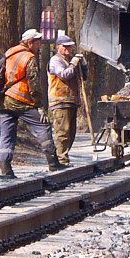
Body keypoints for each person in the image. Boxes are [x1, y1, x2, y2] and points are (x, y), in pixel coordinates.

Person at [0, 28, 62, 178]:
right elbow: (33, 84)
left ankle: (5, 169)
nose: (39, 45)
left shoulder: (10, 52)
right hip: (21, 101)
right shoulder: (29, 57)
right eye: (37, 42)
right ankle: (53, 163)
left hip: (5, 101)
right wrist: (39, 105)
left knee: (6, 135)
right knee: (43, 126)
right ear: (29, 42)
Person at [48, 32, 86, 167]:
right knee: (62, 132)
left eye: (70, 47)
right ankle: (61, 160)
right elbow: (64, 75)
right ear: (58, 46)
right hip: (60, 101)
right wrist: (74, 64)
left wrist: (83, 65)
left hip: (71, 101)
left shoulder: (69, 61)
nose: (68, 49)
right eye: (66, 47)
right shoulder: (55, 61)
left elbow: (83, 77)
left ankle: (64, 158)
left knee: (71, 133)